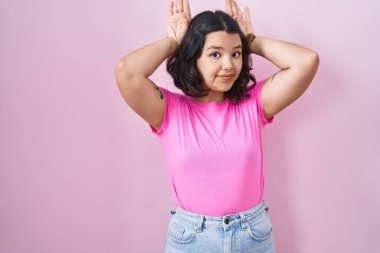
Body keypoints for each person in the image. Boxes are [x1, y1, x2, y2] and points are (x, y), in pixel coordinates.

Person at [115, 0, 319, 252]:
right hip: (191, 239)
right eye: (215, 54)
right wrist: (174, 42)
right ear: (193, 57)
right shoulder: (169, 110)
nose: (229, 65)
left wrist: (251, 40)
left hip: (252, 236)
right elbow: (127, 71)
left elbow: (306, 61)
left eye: (236, 53)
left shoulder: (254, 103)